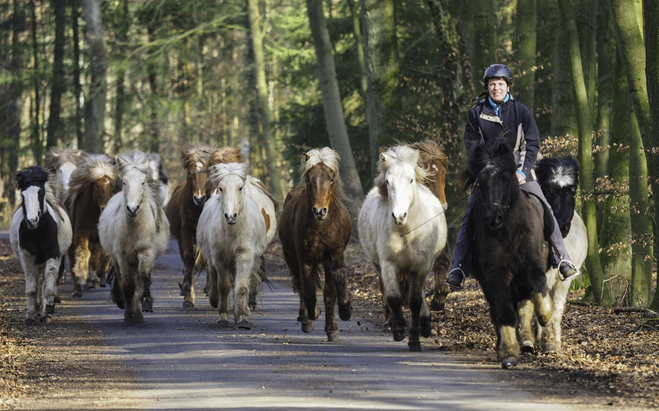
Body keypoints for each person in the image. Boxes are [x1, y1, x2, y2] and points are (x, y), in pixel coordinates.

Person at [445, 63, 578, 290]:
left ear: (507, 86)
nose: (496, 88)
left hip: (520, 172)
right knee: (469, 216)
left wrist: (521, 171)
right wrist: (486, 169)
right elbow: (472, 147)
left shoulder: (521, 111)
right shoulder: (476, 113)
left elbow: (532, 143)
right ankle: (458, 267)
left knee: (545, 207)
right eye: (492, 84)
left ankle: (562, 258)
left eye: (500, 84)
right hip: (489, 175)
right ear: (487, 87)